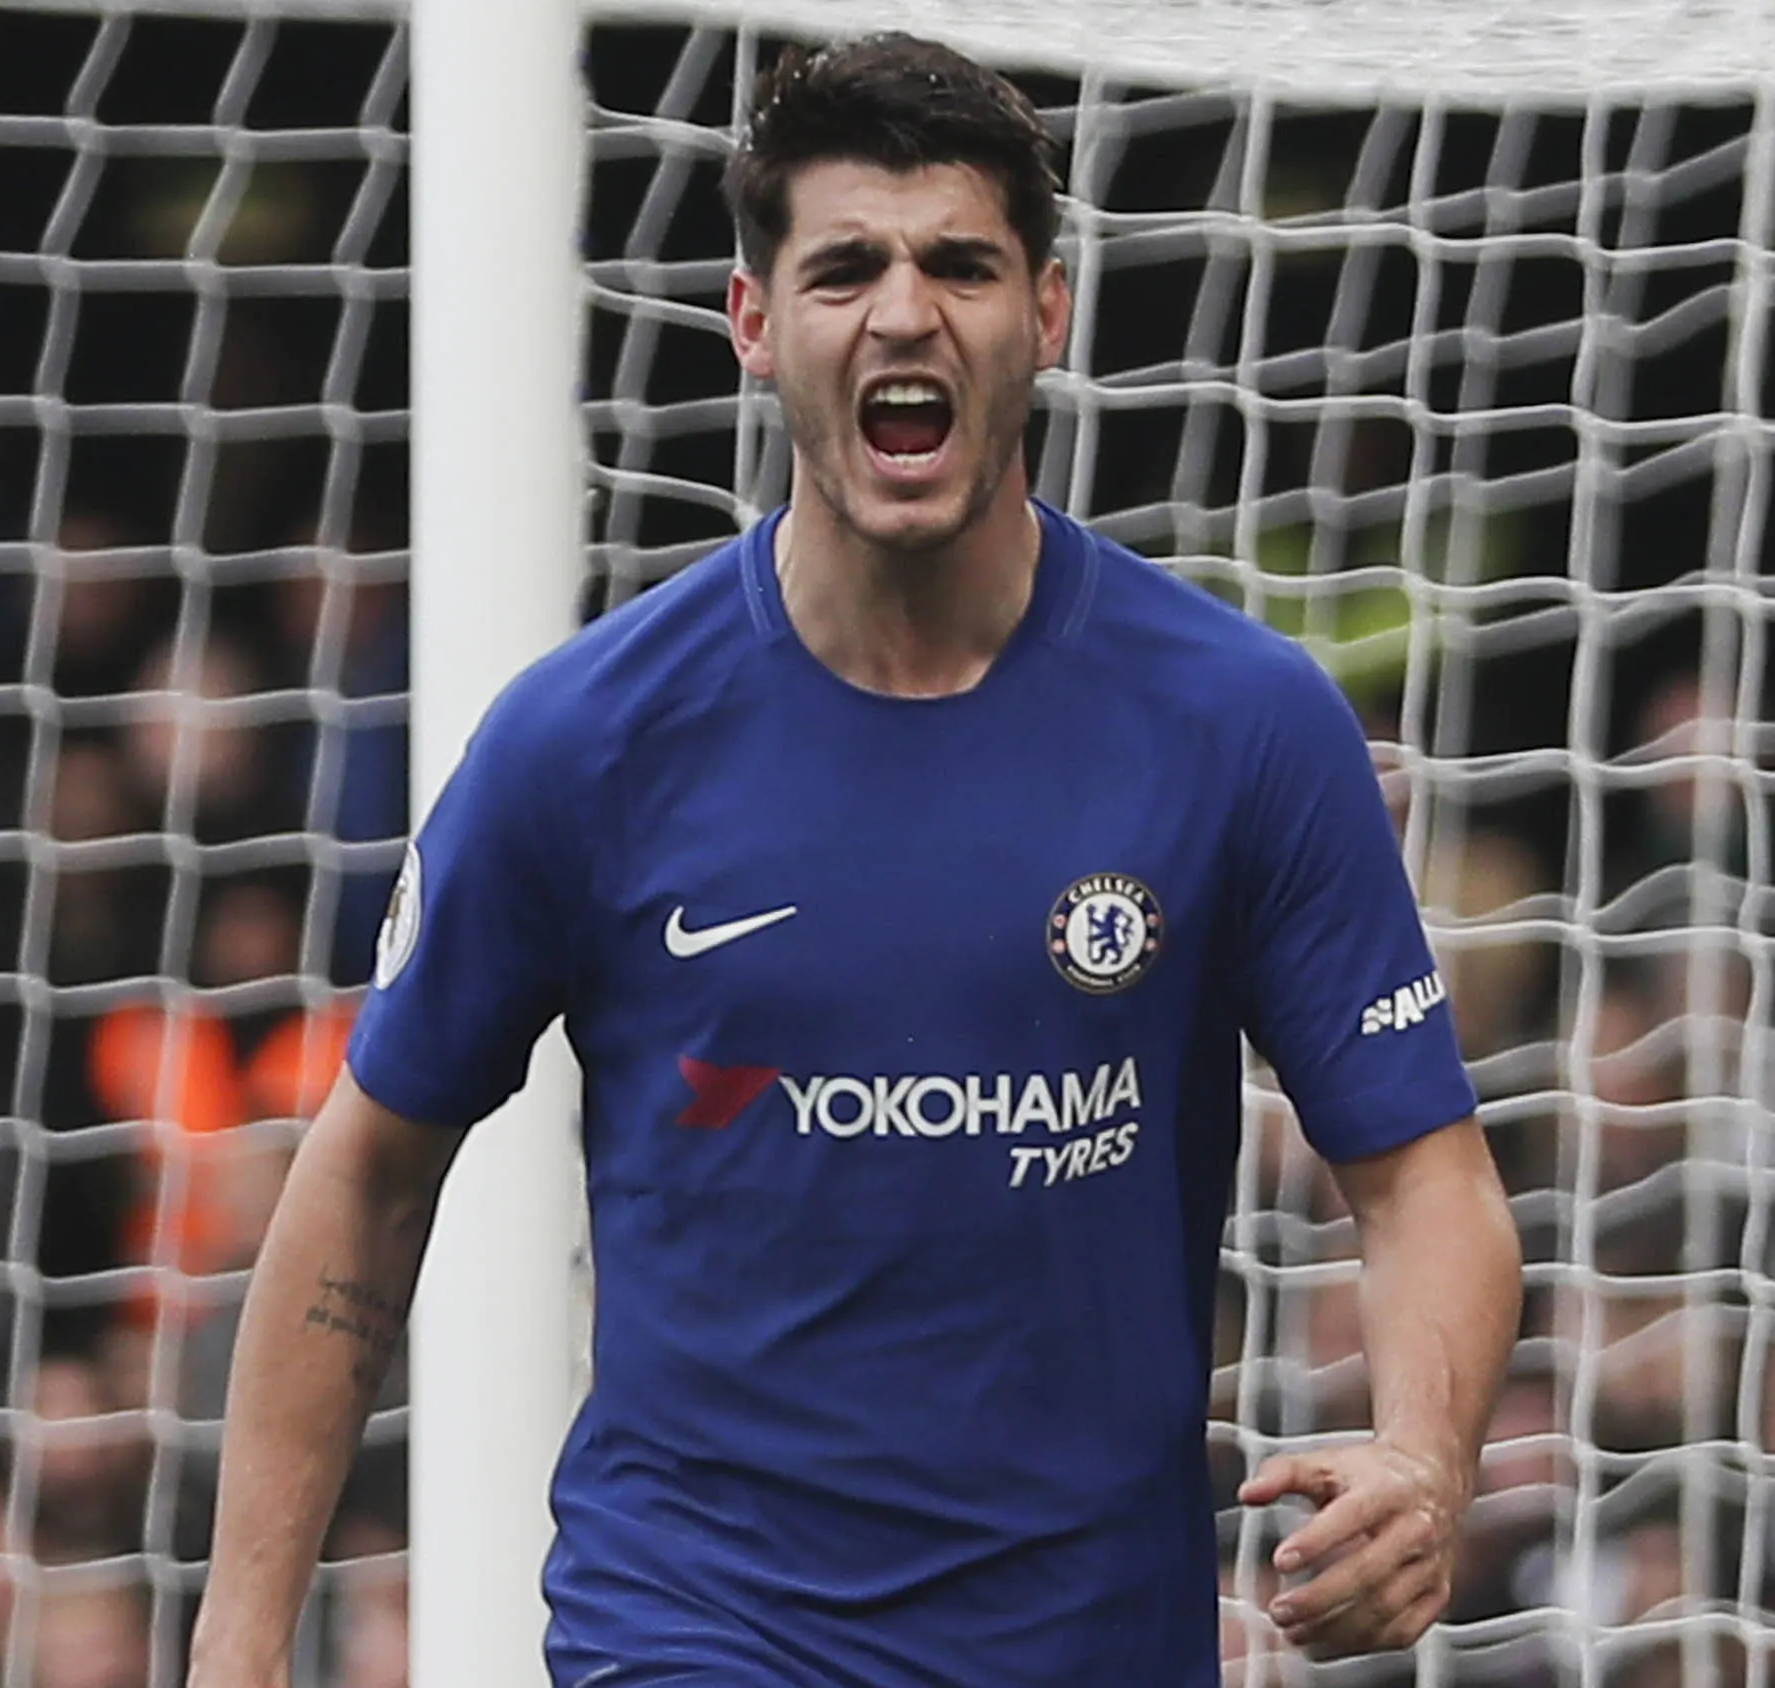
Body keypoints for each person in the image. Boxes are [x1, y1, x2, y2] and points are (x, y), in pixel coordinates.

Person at [187, 33, 1521, 1688]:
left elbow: (1425, 1182)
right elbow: (367, 1174)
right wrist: (235, 1653)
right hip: (697, 1631)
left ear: (1048, 312)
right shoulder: (586, 741)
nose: (905, 312)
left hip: (1092, 1645)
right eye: (845, 269)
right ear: (756, 326)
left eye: (961, 263)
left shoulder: (1241, 725)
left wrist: (1425, 1459)